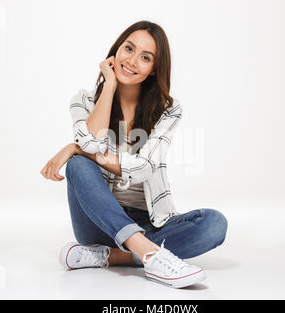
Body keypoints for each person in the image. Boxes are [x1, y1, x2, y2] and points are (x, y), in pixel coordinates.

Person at [40, 20, 228, 289]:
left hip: (150, 221)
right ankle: (149, 254)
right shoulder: (83, 100)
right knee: (78, 165)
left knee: (214, 224)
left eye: (146, 57)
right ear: (116, 49)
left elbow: (144, 167)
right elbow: (91, 144)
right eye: (128, 48)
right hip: (98, 223)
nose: (132, 61)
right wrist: (109, 86)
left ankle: (111, 256)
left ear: (154, 69)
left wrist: (72, 147)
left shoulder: (168, 110)